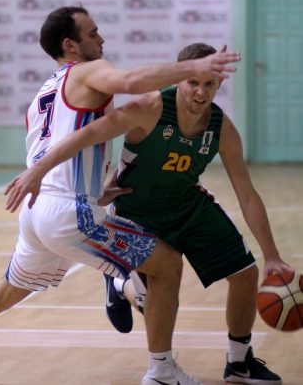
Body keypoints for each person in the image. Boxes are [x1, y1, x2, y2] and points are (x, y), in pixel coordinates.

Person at [0, 6, 240, 385]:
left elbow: (65, 144)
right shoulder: (86, 71)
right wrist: (193, 67)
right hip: (69, 212)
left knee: (9, 289)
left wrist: (98, 189)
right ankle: (159, 364)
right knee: (166, 265)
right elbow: (131, 81)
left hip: (40, 211)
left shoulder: (46, 91)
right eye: (93, 33)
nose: (102, 39)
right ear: (71, 45)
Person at [101, 42, 290, 384]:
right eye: (193, 82)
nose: (201, 92)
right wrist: (99, 184)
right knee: (153, 297)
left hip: (187, 205)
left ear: (220, 83)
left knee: (246, 274)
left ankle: (239, 362)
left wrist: (272, 255)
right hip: (137, 211)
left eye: (209, 84)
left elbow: (247, 194)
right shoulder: (151, 108)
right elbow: (95, 136)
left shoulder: (221, 127)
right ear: (179, 78)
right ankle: (119, 284)